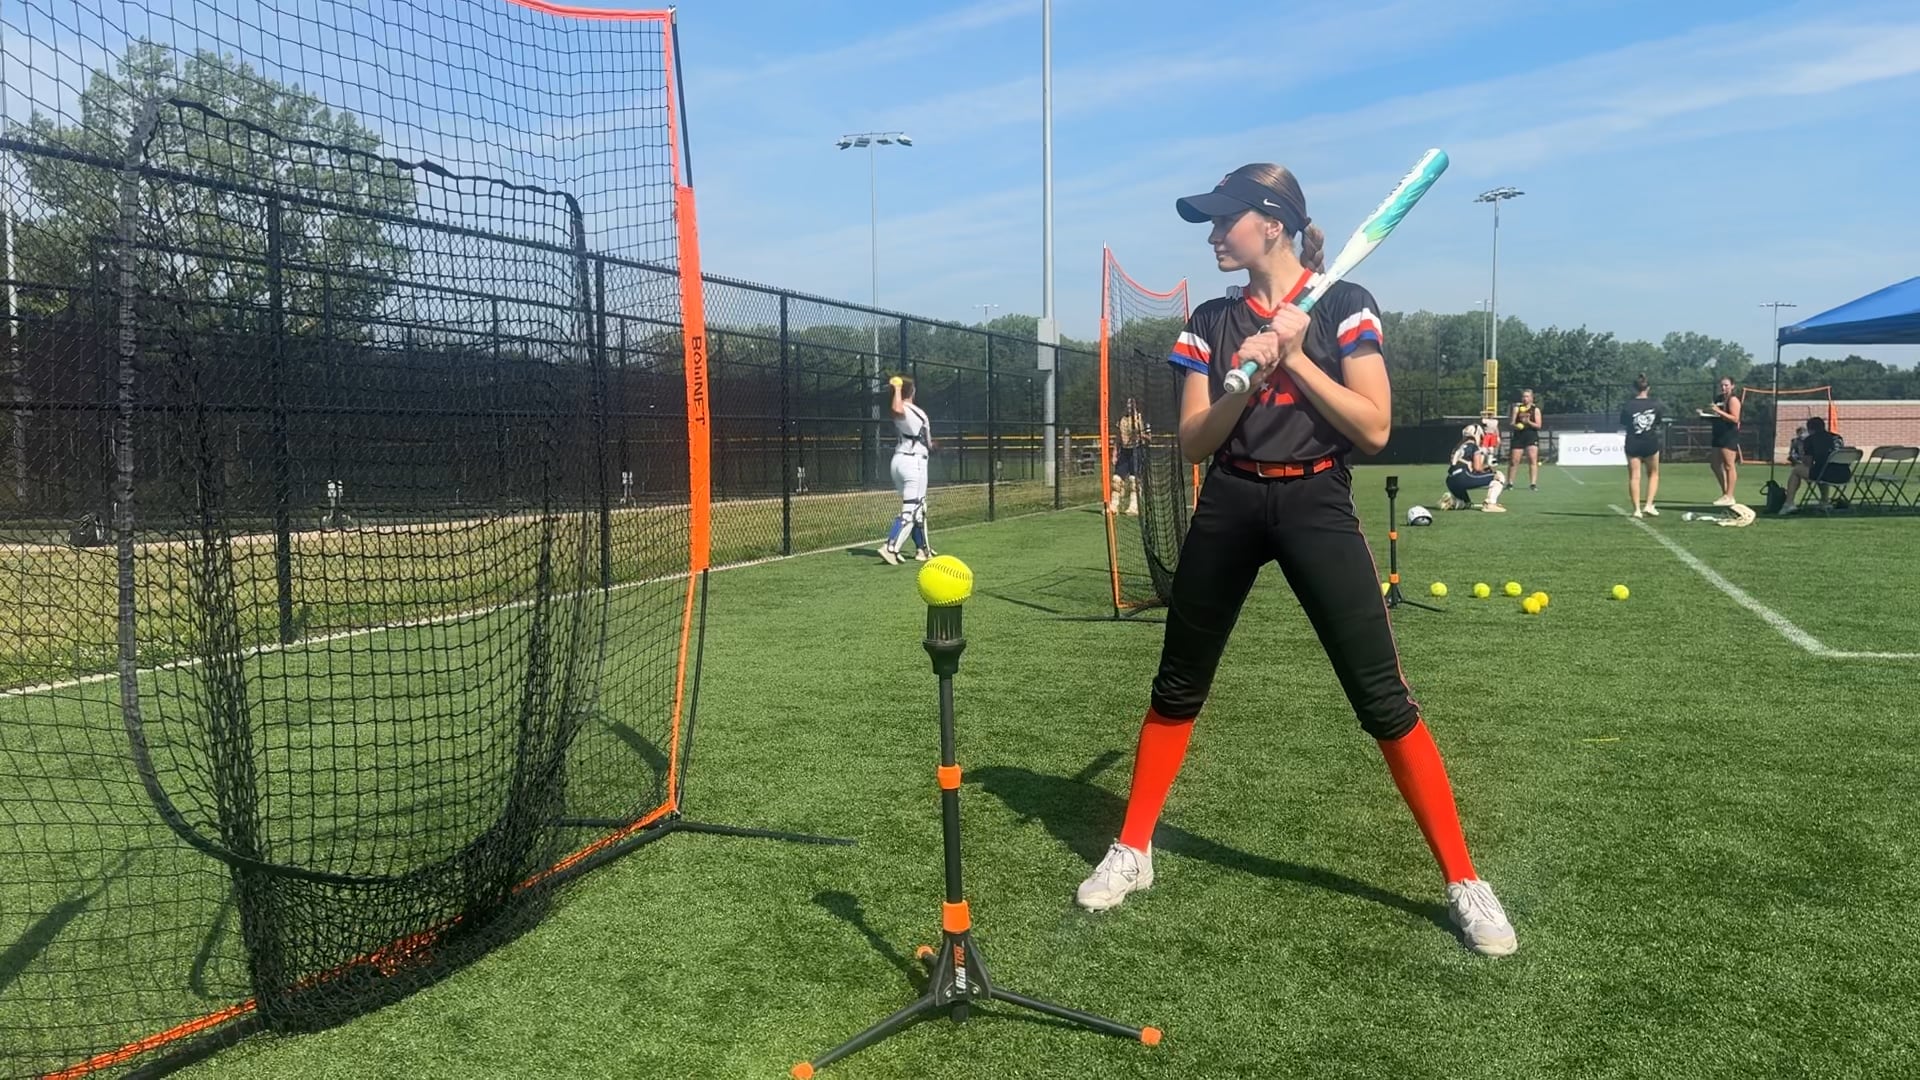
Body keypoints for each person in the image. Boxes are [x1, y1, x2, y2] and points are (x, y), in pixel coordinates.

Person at [1072, 162, 1518, 958]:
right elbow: (1195, 442)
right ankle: (1133, 848)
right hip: (1232, 501)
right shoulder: (1209, 322)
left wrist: (1296, 357)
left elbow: (1373, 428)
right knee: (1178, 684)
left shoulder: (1344, 305)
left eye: (1225, 220)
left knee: (1382, 697)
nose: (1213, 235)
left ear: (1271, 224)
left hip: (1317, 501)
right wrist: (1245, 379)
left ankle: (1464, 880)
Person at [879, 376, 936, 564]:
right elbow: (898, 410)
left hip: (899, 461)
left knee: (918, 507)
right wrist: (898, 388)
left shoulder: (905, 411)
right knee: (913, 508)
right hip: (914, 462)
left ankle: (922, 549)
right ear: (912, 391)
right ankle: (891, 547)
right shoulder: (914, 411)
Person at [1779, 415, 1847, 514]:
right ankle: (1824, 501)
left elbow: (1808, 463)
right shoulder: (1837, 438)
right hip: (1844, 474)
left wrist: (1800, 459)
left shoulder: (1810, 440)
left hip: (1826, 474)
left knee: (1797, 470)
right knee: (1821, 471)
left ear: (1810, 429)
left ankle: (1789, 503)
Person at [1619, 374, 1666, 518]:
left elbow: (1624, 422)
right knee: (1653, 473)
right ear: (1648, 388)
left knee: (1634, 476)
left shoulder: (1628, 405)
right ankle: (1649, 505)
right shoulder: (1656, 404)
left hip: (1633, 442)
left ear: (1634, 388)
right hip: (1650, 442)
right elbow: (1658, 422)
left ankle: (1636, 510)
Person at [1443, 422, 1507, 512]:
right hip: (1463, 477)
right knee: (1499, 476)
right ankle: (1490, 504)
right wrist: (1488, 468)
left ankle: (1455, 502)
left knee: (1466, 504)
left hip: (1450, 480)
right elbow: (1477, 468)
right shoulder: (1473, 446)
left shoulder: (1458, 447)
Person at [1705, 376, 1742, 507]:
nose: (1723, 387)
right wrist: (1705, 414)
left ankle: (1730, 496)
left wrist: (1719, 411)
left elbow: (1735, 418)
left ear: (1732, 386)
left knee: (1728, 465)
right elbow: (1716, 415)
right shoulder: (1718, 399)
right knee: (1715, 464)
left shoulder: (1733, 399)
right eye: (1721, 385)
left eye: (1726, 385)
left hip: (1729, 435)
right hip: (1717, 434)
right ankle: (1725, 492)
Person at [1110, 396, 1145, 516]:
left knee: (1134, 480)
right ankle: (1114, 506)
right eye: (1128, 403)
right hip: (1124, 451)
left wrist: (1139, 435)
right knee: (1116, 479)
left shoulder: (1140, 419)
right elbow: (1118, 438)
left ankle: (1134, 507)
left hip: (1136, 450)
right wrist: (1115, 454)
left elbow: (1149, 438)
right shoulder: (1122, 420)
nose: (1129, 406)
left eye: (1132, 404)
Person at [1508, 389, 1543, 490]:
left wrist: (1528, 422)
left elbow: (1539, 425)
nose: (1525, 398)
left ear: (1531, 398)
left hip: (1531, 435)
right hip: (1518, 436)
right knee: (1514, 461)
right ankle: (1510, 483)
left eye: (1527, 396)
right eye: (1523, 396)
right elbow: (1512, 423)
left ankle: (1533, 484)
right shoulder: (1517, 408)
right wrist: (1516, 426)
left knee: (1532, 459)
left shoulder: (1535, 410)